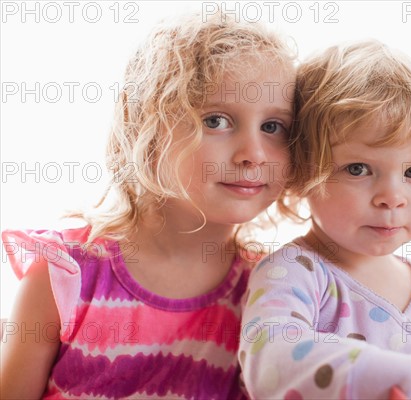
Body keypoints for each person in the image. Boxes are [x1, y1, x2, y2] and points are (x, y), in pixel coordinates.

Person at [1, 12, 296, 399]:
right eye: (217, 120)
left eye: (273, 127)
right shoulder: (66, 278)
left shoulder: (273, 291)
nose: (253, 153)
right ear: (148, 128)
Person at [238, 40, 411, 399]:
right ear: (303, 174)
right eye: (358, 168)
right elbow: (271, 364)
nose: (393, 197)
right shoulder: (294, 273)